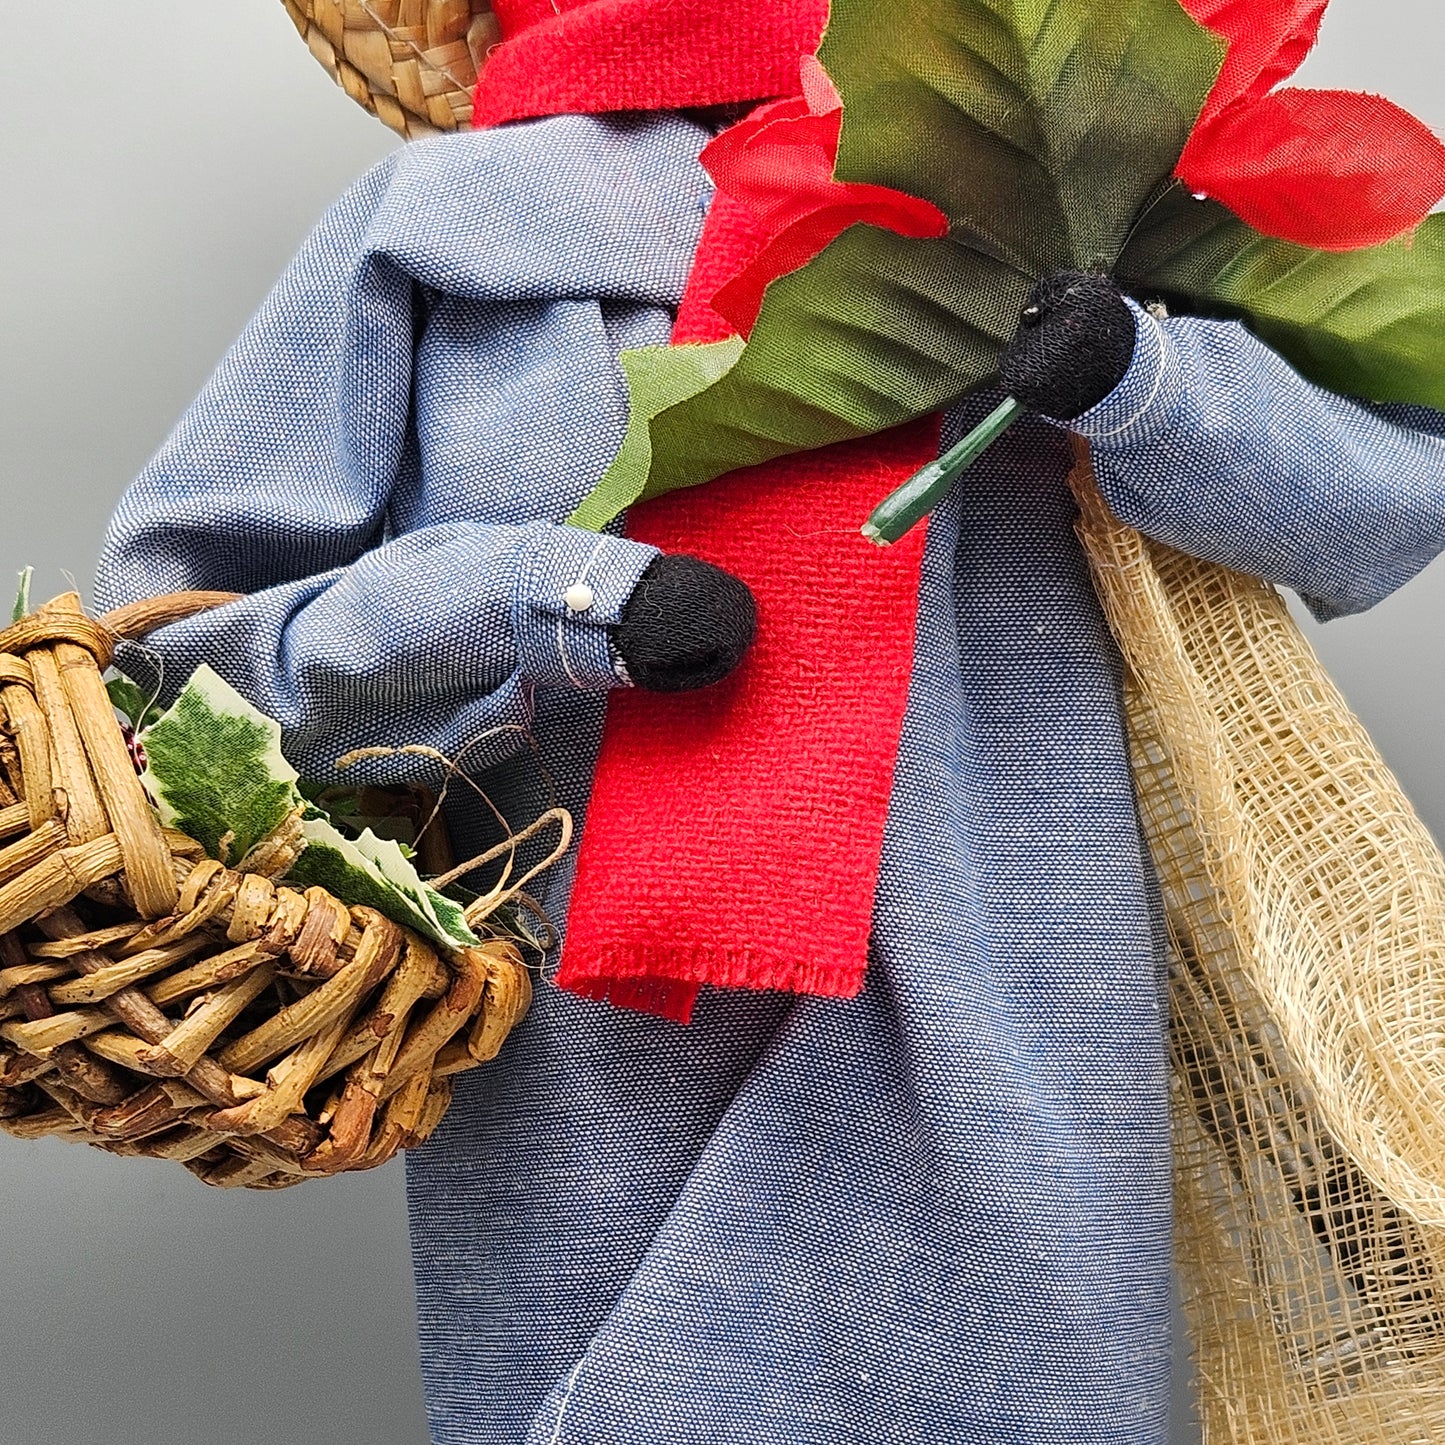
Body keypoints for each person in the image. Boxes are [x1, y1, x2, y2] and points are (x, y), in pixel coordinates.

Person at [92, 2, 1445, 1441]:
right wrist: (534, 598)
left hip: (1018, 1027)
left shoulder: (1088, 192)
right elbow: (178, 674)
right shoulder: (442, 225)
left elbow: (1380, 504)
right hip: (589, 1081)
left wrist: (1151, 380)